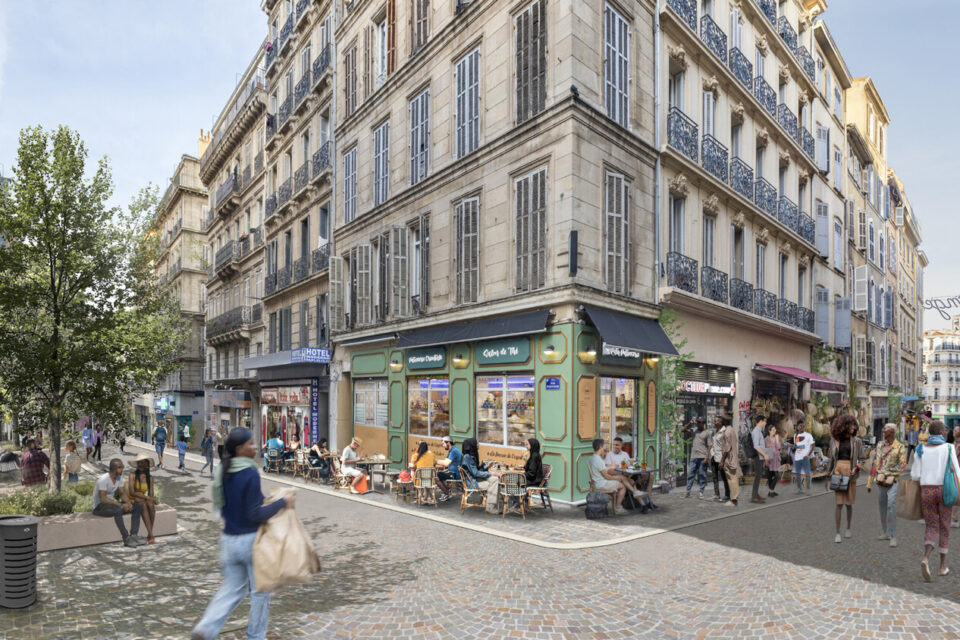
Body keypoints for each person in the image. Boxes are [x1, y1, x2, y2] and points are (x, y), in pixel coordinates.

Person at [191, 428, 293, 640]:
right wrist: (283, 503)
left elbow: (238, 503)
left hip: (228, 540)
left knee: (231, 589)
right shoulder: (249, 472)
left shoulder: (223, 470)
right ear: (240, 449)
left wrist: (268, 500)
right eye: (251, 444)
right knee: (260, 592)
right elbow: (255, 514)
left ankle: (205, 629)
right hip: (251, 542)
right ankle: (255, 636)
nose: (256, 447)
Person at [911, 420, 960, 581]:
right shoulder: (949, 447)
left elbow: (915, 476)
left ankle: (925, 558)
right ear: (942, 433)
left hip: (927, 490)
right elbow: (957, 471)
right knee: (945, 526)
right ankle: (942, 567)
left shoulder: (920, 449)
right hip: (944, 490)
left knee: (931, 525)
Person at [866, 423, 907, 548]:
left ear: (893, 431)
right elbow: (874, 463)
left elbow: (903, 465)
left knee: (891, 506)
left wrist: (887, 473)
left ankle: (893, 535)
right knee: (882, 506)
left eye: (886, 428)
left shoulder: (900, 447)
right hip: (879, 481)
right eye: (883, 428)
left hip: (893, 480)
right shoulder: (879, 445)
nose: (883, 430)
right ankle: (885, 532)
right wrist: (869, 482)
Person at [828, 414, 864, 543]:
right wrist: (828, 475)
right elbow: (832, 459)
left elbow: (862, 459)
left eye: (855, 425)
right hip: (838, 471)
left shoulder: (857, 441)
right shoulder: (834, 440)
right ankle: (837, 533)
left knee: (849, 503)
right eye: (851, 424)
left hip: (851, 472)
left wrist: (856, 468)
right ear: (844, 426)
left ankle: (848, 528)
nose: (853, 427)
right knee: (838, 504)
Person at [92, 458, 144, 547]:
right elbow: (103, 499)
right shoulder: (103, 479)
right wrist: (120, 505)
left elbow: (122, 493)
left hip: (111, 505)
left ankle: (134, 535)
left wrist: (129, 504)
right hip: (99, 507)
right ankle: (126, 538)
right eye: (121, 467)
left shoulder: (119, 478)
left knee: (137, 507)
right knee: (118, 510)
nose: (122, 469)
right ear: (115, 468)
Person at [460, 437, 501, 512]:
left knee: (495, 479)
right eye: (477, 443)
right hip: (472, 482)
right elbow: (476, 473)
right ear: (472, 445)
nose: (478, 444)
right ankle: (490, 507)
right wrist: (490, 473)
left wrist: (486, 467)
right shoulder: (467, 457)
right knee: (494, 482)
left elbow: (477, 469)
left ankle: (491, 505)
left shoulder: (472, 455)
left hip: (475, 478)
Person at [128, 454, 158, 543]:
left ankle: (149, 534)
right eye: (139, 463)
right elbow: (132, 492)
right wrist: (148, 498)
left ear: (147, 465)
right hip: (133, 498)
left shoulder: (150, 478)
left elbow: (151, 493)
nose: (141, 465)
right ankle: (151, 534)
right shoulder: (132, 475)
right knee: (143, 504)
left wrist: (151, 499)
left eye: (143, 463)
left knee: (150, 505)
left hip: (143, 498)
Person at [685, 419, 711, 499]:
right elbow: (683, 430)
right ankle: (688, 492)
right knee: (691, 474)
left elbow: (710, 446)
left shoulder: (707, 433)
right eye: (698, 422)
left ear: (703, 423)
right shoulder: (694, 430)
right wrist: (689, 422)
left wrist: (707, 457)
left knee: (702, 474)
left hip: (702, 456)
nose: (698, 424)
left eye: (700, 422)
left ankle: (701, 492)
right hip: (693, 456)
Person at [720, 417, 740, 507]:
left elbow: (727, 448)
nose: (720, 422)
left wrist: (722, 460)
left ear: (725, 421)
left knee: (731, 479)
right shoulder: (731, 430)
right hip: (732, 458)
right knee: (733, 478)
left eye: (721, 420)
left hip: (729, 459)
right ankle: (734, 498)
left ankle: (733, 500)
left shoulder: (727, 431)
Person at [750, 415, 770, 504]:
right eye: (765, 421)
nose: (765, 423)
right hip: (758, 456)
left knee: (759, 476)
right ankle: (754, 497)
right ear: (760, 421)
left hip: (760, 457)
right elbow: (756, 446)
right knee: (757, 476)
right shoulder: (756, 431)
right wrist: (764, 454)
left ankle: (756, 495)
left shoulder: (759, 431)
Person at [791, 417, 815, 494]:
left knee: (807, 473)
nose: (802, 427)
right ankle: (799, 489)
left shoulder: (808, 435)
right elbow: (796, 446)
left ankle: (808, 489)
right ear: (797, 427)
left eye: (803, 426)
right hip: (797, 458)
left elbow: (813, 446)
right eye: (800, 426)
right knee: (798, 474)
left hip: (805, 458)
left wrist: (808, 455)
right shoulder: (795, 436)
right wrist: (793, 447)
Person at [435, 435, 462, 501]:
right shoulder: (452, 450)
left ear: (448, 443)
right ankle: (447, 491)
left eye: (443, 443)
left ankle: (447, 493)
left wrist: (434, 460)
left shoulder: (453, 451)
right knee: (438, 474)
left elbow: (446, 463)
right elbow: (446, 463)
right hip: (452, 472)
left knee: (436, 477)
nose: (442, 445)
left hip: (455, 474)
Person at [710, 417, 729, 502]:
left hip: (721, 458)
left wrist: (722, 461)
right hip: (714, 457)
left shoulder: (724, 432)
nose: (715, 422)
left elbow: (726, 448)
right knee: (715, 477)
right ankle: (717, 494)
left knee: (724, 478)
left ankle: (727, 495)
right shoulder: (714, 432)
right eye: (714, 420)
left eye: (717, 421)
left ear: (721, 423)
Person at [764, 423, 782, 498]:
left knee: (777, 475)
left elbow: (778, 448)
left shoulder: (777, 438)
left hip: (776, 459)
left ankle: (771, 491)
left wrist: (777, 440)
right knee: (770, 476)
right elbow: (767, 449)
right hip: (770, 459)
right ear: (769, 431)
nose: (775, 431)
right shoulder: (766, 439)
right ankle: (771, 491)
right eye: (773, 430)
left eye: (775, 429)